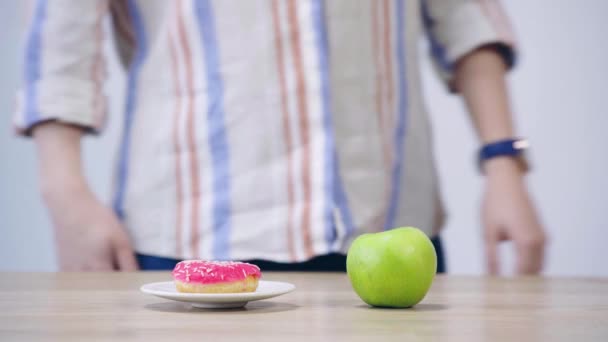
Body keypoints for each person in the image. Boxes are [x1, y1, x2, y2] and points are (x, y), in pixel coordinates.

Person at [15, 0, 546, 273]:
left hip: (389, 222)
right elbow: (62, 32)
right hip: (187, 229)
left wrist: (503, 161)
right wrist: (63, 189)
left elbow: (464, 18)